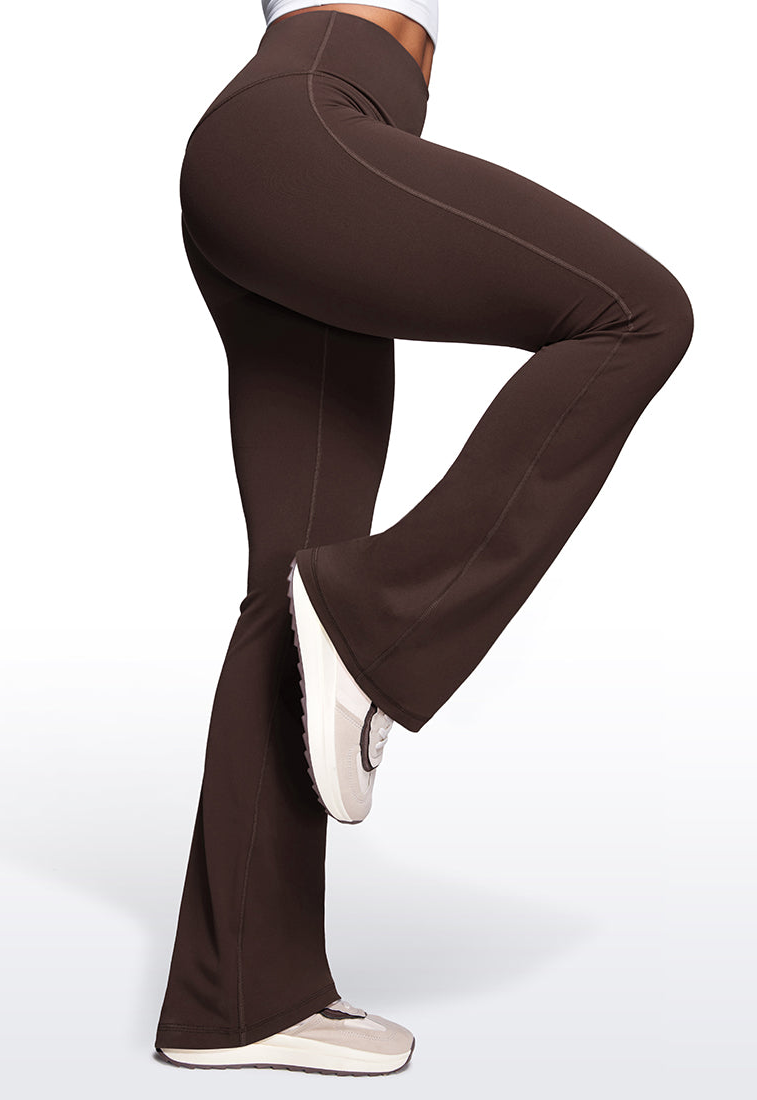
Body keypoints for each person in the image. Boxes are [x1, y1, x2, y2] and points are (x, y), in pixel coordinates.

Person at [153, 0, 694, 1076]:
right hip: (306, 119)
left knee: (287, 585)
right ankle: (375, 620)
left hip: (299, 146)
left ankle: (235, 998)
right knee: (637, 313)